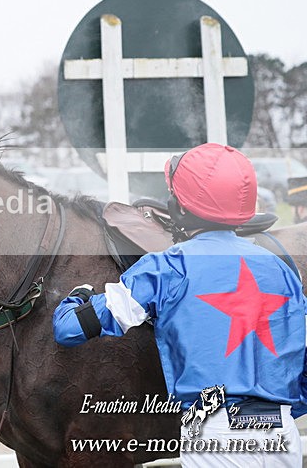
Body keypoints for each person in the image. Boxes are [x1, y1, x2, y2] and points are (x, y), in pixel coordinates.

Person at [52, 143, 306, 467]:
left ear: (180, 209)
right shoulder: (282, 270)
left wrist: (79, 295)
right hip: (282, 437)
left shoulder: (166, 267)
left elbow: (68, 329)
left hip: (216, 438)